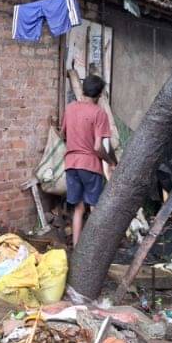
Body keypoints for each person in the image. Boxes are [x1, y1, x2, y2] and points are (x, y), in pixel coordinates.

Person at [62, 74, 118, 246]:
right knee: (94, 207)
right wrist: (110, 162)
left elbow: (63, 133)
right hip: (90, 166)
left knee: (78, 208)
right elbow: (98, 147)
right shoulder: (99, 113)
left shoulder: (70, 108)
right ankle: (94, 249)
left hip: (71, 164)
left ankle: (77, 248)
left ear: (84, 89)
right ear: (100, 94)